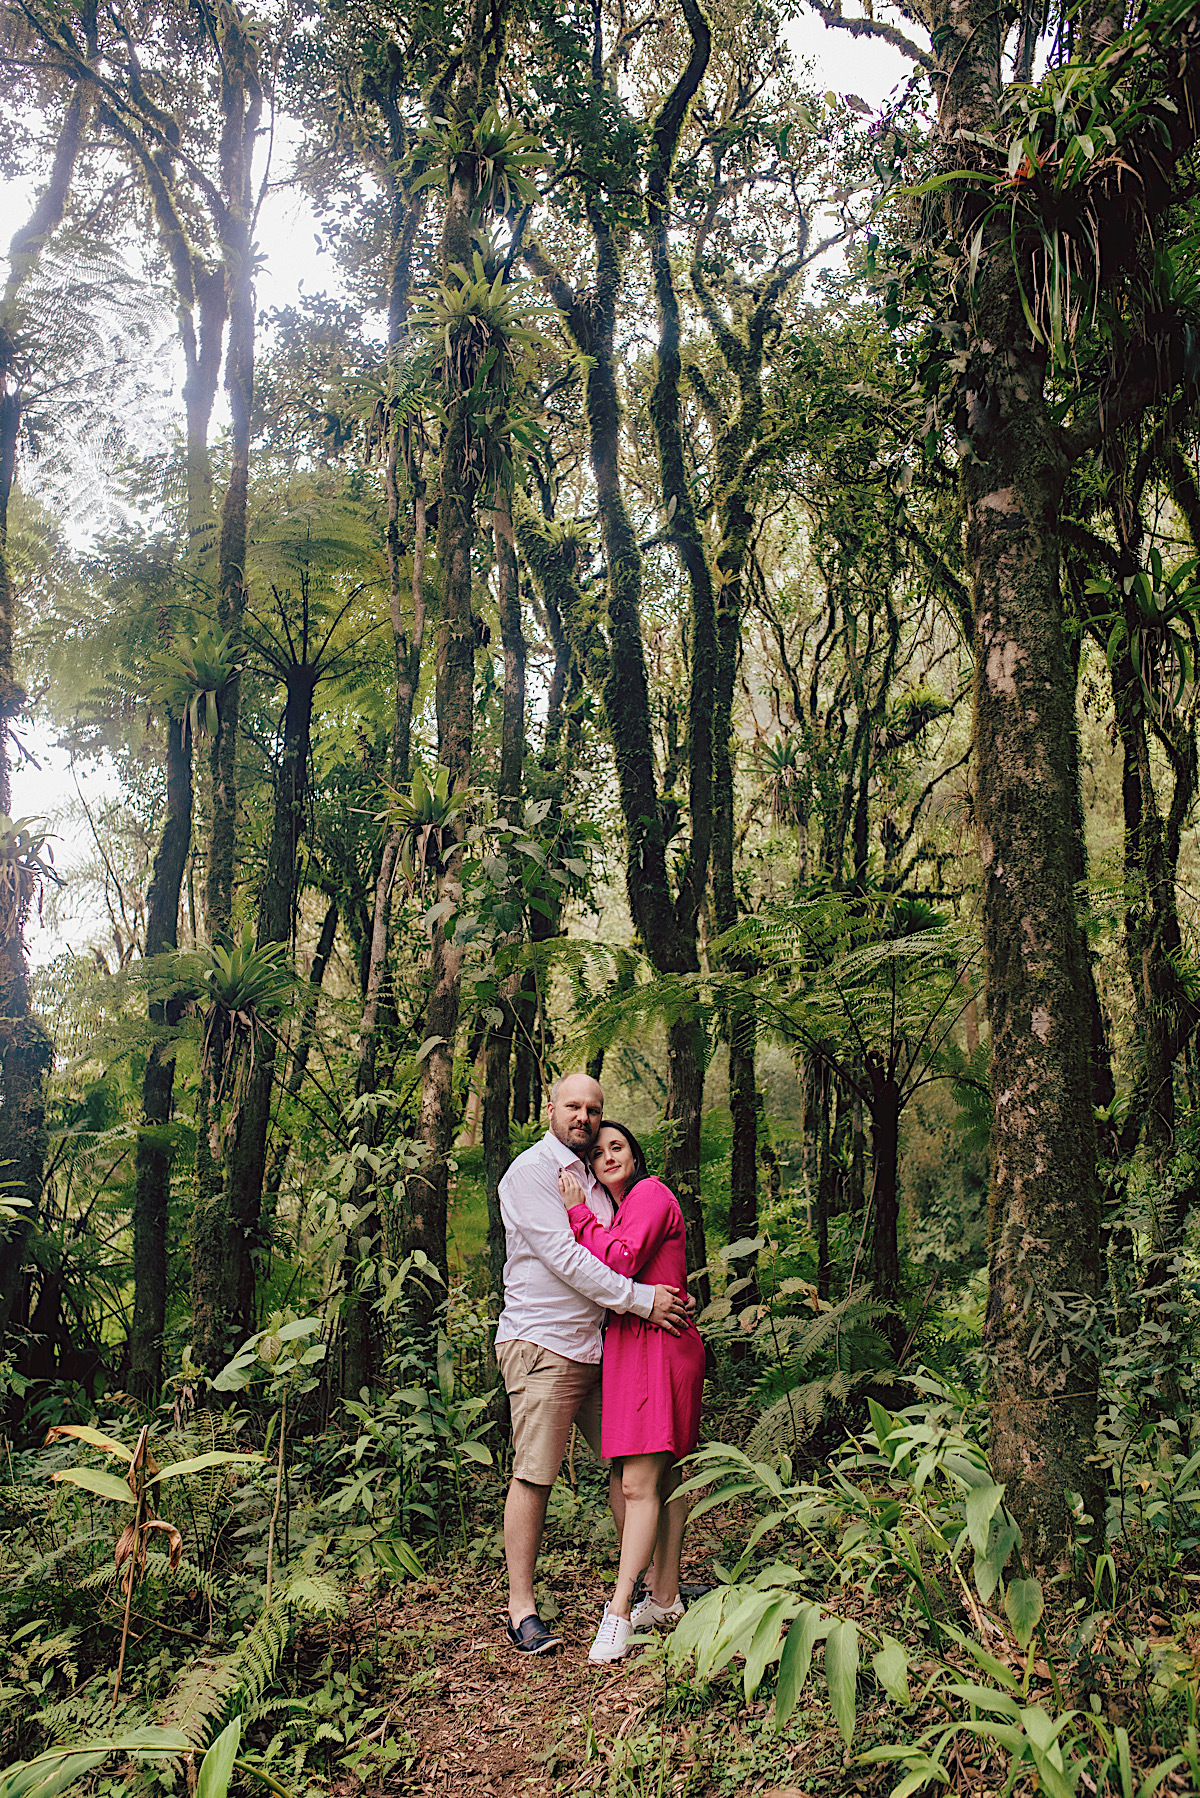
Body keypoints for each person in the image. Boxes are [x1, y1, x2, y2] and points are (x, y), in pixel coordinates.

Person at [495, 1073, 690, 1655]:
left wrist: (667, 1293)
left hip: (607, 1350)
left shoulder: (602, 1183)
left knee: (641, 1473)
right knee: (535, 1473)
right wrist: (643, 1302)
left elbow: (627, 1254)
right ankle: (521, 1609)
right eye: (574, 1107)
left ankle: (662, 1592)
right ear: (550, 1108)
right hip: (544, 1346)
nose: (585, 1118)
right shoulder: (532, 1174)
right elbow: (567, 1260)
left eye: (595, 1110)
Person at [558, 1121, 706, 1664]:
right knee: (646, 1478)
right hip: (630, 1347)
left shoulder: (649, 1193)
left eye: (616, 1146)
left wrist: (577, 1215)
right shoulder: (617, 1213)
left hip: (659, 1347)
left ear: (634, 1154)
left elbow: (616, 1261)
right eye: (597, 1153)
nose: (606, 1156)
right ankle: (664, 1599)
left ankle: (619, 1610)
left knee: (640, 1483)